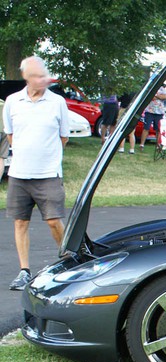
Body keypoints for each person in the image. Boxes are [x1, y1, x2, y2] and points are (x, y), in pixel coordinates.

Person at [3, 56, 70, 290]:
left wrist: (47, 156)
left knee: (53, 220)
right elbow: (11, 136)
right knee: (20, 222)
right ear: (26, 77)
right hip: (20, 174)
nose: (44, 79)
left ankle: (69, 263)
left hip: (48, 173)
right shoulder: (13, 101)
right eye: (38, 76)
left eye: (45, 75)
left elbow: (64, 136)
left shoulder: (57, 102)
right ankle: (24, 271)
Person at [139, 83, 166, 150]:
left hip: (159, 112)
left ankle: (158, 145)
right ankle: (142, 144)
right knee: (146, 128)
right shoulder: (151, 88)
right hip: (149, 111)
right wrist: (159, 96)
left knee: (158, 129)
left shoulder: (162, 89)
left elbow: (165, 97)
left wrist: (157, 96)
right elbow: (150, 97)